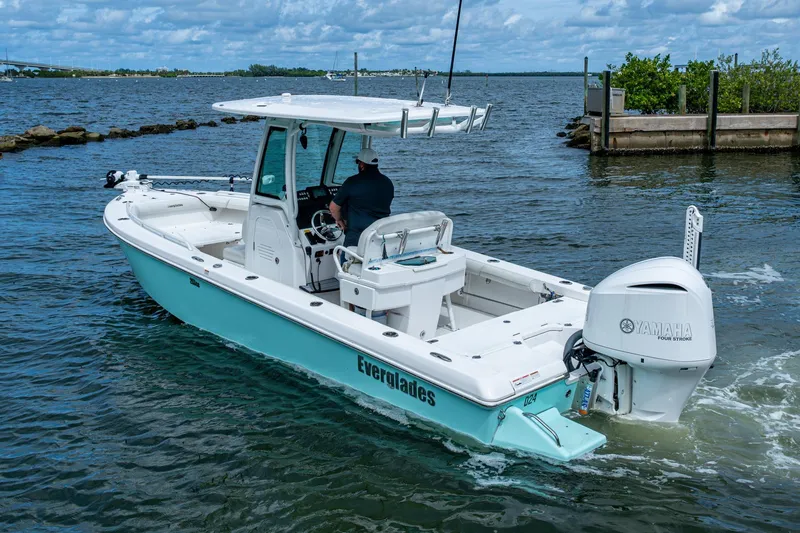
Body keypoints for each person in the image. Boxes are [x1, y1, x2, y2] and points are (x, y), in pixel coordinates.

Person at [329, 147, 394, 253]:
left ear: (362, 164)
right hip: (380, 236)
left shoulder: (352, 182)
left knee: (346, 263)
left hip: (357, 236)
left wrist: (340, 220)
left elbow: (333, 208)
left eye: (358, 162)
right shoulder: (388, 183)